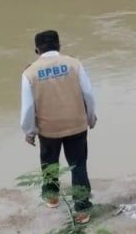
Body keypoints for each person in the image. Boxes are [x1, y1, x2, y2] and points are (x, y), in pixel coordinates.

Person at [20, 30, 97, 224]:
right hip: (76, 124)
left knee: (49, 163)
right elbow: (88, 93)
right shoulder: (74, 64)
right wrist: (90, 117)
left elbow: (28, 107)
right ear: (59, 45)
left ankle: (52, 198)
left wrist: (29, 131)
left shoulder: (29, 72)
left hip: (48, 128)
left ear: (37, 49)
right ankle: (82, 211)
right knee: (78, 164)